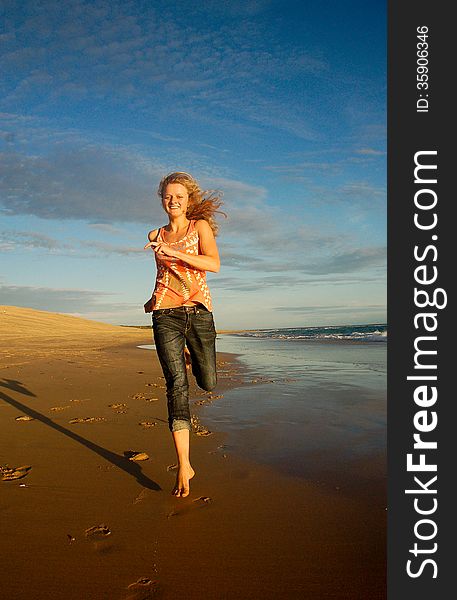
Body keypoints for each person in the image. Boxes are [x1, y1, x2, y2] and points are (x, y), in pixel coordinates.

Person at [144, 172, 225, 498]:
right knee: (176, 385)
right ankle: (183, 464)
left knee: (208, 383)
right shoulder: (155, 234)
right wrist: (154, 299)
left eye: (179, 196)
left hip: (199, 314)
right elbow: (163, 273)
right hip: (166, 317)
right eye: (168, 195)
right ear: (162, 199)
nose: (173, 200)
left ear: (189, 200)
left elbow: (214, 264)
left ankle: (193, 354)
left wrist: (175, 252)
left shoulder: (199, 228)